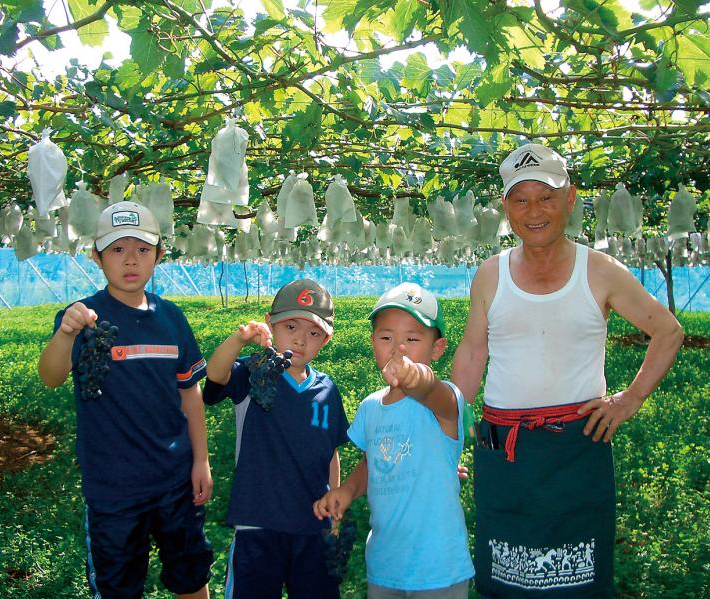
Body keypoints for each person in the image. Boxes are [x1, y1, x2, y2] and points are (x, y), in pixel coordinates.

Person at [451, 143, 684, 598]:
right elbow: (473, 352)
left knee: (578, 573)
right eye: (521, 199)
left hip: (579, 438)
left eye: (546, 197)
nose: (533, 211)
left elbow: (668, 331)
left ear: (570, 198)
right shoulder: (490, 274)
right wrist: (450, 429)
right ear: (506, 206)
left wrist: (628, 398)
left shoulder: (599, 270)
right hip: (500, 438)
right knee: (505, 570)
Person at [38, 201, 214, 599]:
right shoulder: (83, 317)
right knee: (118, 585)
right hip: (113, 488)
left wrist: (200, 459)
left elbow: (190, 393)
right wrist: (65, 334)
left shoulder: (172, 319)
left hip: (175, 480)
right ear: (97, 257)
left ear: (159, 255)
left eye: (142, 249)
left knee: (191, 575)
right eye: (117, 249)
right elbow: (50, 377)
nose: (130, 260)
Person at [314, 283, 475, 599]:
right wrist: (347, 489)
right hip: (385, 564)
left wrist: (419, 379)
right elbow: (372, 462)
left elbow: (432, 391)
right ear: (373, 342)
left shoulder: (444, 402)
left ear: (437, 349)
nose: (398, 348)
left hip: (437, 568)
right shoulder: (371, 407)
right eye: (386, 337)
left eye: (412, 339)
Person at [202, 278, 348, 599]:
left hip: (312, 524)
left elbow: (330, 452)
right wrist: (239, 340)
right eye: (291, 326)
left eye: (314, 333)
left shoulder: (327, 389)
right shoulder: (254, 373)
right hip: (258, 523)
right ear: (270, 324)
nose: (300, 339)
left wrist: (334, 510)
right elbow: (215, 375)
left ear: (326, 339)